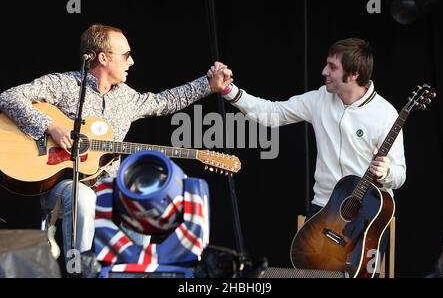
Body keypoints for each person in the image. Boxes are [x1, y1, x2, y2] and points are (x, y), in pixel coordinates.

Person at [0, 24, 233, 265]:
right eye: (125, 55)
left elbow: (165, 101)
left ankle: (132, 270)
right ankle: (81, 270)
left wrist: (208, 84)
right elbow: (8, 97)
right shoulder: (65, 85)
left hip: (108, 189)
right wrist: (53, 127)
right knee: (83, 197)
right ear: (102, 58)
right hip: (61, 185)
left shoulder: (126, 97)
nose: (131, 62)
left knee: (141, 201)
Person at [210, 38, 406, 275]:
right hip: (323, 211)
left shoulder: (385, 114)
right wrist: (229, 90)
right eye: (327, 64)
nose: (324, 71)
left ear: (353, 74)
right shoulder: (320, 99)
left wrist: (385, 172)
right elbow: (273, 113)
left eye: (332, 67)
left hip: (365, 221)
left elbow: (399, 175)